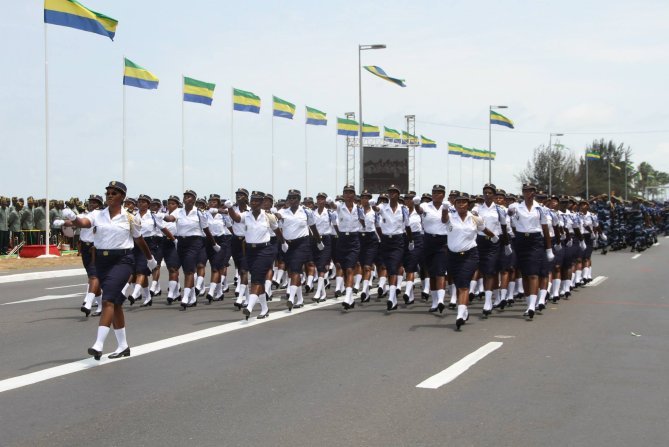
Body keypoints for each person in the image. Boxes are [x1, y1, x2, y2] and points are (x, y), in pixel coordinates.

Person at [64, 181, 158, 360]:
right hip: (102, 261)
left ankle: (98, 344)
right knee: (115, 303)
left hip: (123, 260)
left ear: (122, 197)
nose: (110, 195)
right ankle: (123, 346)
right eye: (108, 192)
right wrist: (74, 218)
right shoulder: (97, 214)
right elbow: (84, 223)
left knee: (107, 300)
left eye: (114, 193)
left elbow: (139, 240)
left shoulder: (130, 217)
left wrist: (150, 260)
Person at [444, 193, 498, 330]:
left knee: (463, 284)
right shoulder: (450, 217)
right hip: (452, 256)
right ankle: (464, 310)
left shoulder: (475, 218)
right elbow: (443, 219)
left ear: (468, 204)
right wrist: (444, 208)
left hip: (469, 255)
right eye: (458, 202)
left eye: (464, 202)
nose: (461, 204)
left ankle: (460, 315)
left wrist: (494, 237)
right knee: (458, 284)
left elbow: (484, 229)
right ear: (455, 204)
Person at [225, 191, 281, 320]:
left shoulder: (268, 216)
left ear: (261, 203)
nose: (254, 203)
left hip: (264, 251)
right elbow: (236, 218)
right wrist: (229, 208)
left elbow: (277, 231)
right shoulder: (246, 215)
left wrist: (283, 243)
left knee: (256, 279)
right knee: (257, 279)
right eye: (252, 200)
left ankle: (249, 307)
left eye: (257, 201)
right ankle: (264, 308)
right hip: (250, 251)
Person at [162, 190, 220, 310]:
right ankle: (193, 298)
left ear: (194, 199)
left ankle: (185, 297)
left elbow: (206, 230)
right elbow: (171, 218)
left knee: (189, 270)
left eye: (189, 197)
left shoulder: (199, 213)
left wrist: (214, 244)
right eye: (185, 196)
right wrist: (163, 217)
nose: (186, 198)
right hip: (181, 242)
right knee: (186, 269)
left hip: (195, 242)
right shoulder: (179, 211)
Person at [507, 184, 553, 320]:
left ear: (534, 193)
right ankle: (529, 304)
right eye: (525, 191)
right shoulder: (516, 207)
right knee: (525, 274)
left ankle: (533, 305)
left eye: (531, 191)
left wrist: (549, 249)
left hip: (535, 241)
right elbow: (509, 216)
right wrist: (510, 211)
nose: (528, 193)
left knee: (533, 273)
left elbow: (545, 229)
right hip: (521, 240)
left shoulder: (540, 209)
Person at [275, 189, 323, 311]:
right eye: (290, 198)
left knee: (296, 269)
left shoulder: (306, 212)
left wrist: (319, 241)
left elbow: (313, 228)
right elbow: (278, 226)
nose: (292, 200)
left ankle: (291, 298)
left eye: (294, 198)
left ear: (299, 199)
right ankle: (300, 299)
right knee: (292, 271)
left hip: (302, 244)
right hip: (289, 245)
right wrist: (283, 242)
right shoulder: (283, 212)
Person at [370, 185, 414, 311]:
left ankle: (391, 297)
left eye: (394, 192)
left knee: (394, 267)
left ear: (398, 195)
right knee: (389, 268)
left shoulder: (403, 209)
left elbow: (407, 226)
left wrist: (411, 240)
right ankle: (393, 299)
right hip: (386, 240)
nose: (392, 194)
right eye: (390, 192)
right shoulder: (383, 207)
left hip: (398, 240)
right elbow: (376, 209)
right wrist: (373, 205)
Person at [415, 185, 453, 313]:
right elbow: (419, 210)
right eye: (434, 192)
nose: (435, 194)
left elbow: (449, 221)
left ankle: (441, 300)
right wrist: (416, 204)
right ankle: (435, 301)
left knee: (440, 271)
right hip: (428, 240)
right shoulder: (425, 206)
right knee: (431, 272)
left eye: (438, 192)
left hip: (443, 242)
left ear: (443, 195)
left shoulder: (448, 206)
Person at [328, 185, 364, 311]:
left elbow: (363, 222)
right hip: (342, 239)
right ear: (343, 195)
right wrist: (330, 202)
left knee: (349, 269)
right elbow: (333, 206)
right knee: (343, 268)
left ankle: (348, 297)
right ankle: (350, 299)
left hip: (354, 240)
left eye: (350, 192)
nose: (348, 195)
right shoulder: (340, 206)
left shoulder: (359, 208)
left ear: (354, 195)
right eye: (346, 192)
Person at [79, 194, 104, 317]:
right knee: (91, 275)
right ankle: (100, 305)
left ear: (99, 205)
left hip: (95, 248)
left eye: (94, 203)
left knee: (94, 275)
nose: (91, 205)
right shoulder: (86, 215)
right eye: (90, 202)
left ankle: (88, 303)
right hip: (85, 247)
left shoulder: (101, 216)